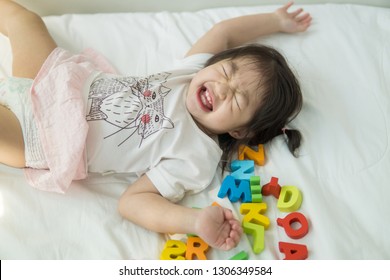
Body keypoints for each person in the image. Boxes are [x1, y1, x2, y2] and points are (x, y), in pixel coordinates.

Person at [0, 0, 311, 251]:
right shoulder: (189, 74)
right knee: (21, 17)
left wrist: (194, 221)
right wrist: (275, 21)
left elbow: (133, 203)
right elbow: (224, 33)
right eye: (226, 71)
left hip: (41, 136)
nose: (222, 87)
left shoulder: (196, 158)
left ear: (240, 131)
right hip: (57, 78)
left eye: (238, 100)